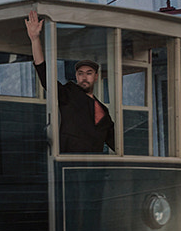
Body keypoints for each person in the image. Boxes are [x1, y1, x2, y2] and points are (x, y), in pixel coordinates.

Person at [25, 12, 115, 154]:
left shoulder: (103, 110)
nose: (84, 77)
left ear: (96, 77)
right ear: (76, 76)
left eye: (89, 73)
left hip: (94, 168)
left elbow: (117, 142)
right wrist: (35, 39)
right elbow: (45, 77)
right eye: (80, 73)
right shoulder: (69, 94)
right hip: (70, 165)